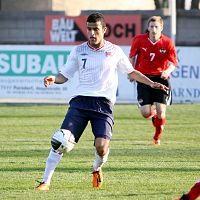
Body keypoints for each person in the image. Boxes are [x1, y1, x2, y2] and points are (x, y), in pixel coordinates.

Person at [35, 12, 168, 191]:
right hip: (80, 103)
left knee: (102, 147)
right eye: (89, 29)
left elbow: (131, 72)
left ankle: (97, 168)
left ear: (104, 30)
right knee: (61, 141)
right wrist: (54, 78)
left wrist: (152, 83)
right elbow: (64, 75)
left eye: (95, 29)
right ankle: (46, 181)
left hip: (104, 105)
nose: (92, 33)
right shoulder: (78, 50)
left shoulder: (114, 51)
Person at [129, 16, 178, 145]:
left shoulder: (167, 42)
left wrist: (167, 71)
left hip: (161, 79)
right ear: (148, 27)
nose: (154, 29)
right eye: (151, 26)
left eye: (156, 27)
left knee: (162, 112)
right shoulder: (139, 40)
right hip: (143, 78)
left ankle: (156, 137)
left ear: (161, 27)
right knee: (145, 113)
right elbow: (132, 56)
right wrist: (131, 72)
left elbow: (173, 63)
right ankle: (153, 115)